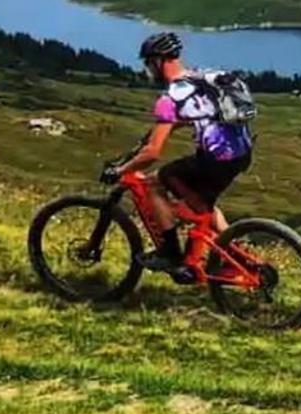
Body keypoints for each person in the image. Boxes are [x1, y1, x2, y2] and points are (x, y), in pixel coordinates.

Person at [106, 32, 253, 283]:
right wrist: (151, 136)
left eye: (148, 63)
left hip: (214, 160)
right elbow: (190, 118)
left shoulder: (170, 97)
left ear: (158, 61)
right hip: (241, 154)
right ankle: (239, 260)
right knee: (202, 205)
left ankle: (170, 253)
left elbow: (153, 153)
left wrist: (120, 170)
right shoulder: (198, 79)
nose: (147, 69)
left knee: (157, 181)